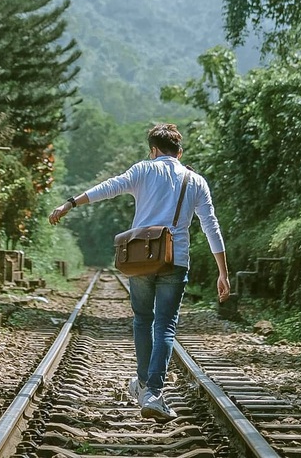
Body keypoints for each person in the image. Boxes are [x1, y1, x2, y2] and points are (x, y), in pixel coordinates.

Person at [49, 122, 230, 423]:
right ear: (180, 152)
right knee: (165, 327)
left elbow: (109, 187)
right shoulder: (196, 181)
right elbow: (211, 226)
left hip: (141, 259)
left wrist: (70, 203)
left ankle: (145, 384)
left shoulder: (143, 170)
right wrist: (223, 272)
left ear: (153, 150)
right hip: (175, 260)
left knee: (142, 320)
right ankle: (153, 393)